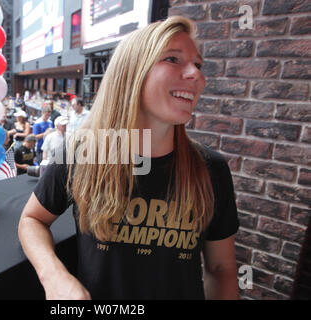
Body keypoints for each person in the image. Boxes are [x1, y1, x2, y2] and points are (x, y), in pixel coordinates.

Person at [18, 16, 239, 300]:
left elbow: (221, 268)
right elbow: (32, 220)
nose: (196, 74)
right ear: (131, 72)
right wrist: (55, 277)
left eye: (198, 64)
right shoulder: (82, 153)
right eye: (173, 59)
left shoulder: (211, 169)